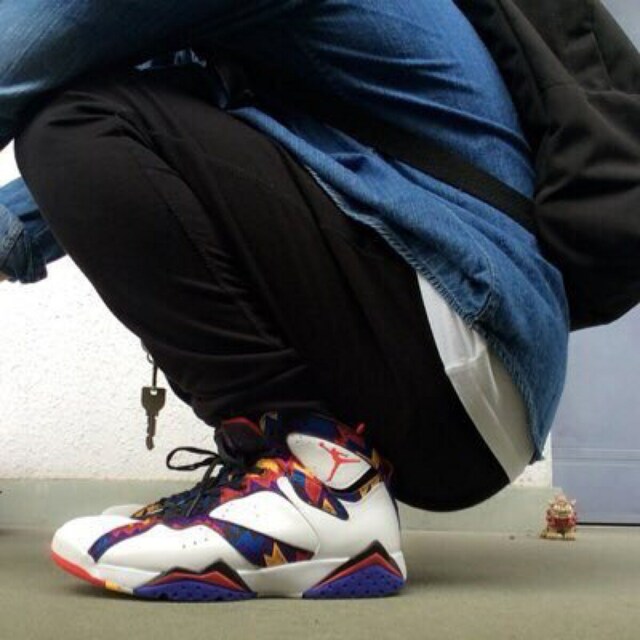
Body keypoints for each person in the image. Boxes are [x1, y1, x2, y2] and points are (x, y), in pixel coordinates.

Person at [1, 0, 569, 600]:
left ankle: (322, 485)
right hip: (463, 374)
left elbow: (28, 48)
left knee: (68, 124)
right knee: (89, 125)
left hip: (461, 319)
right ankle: (287, 465)